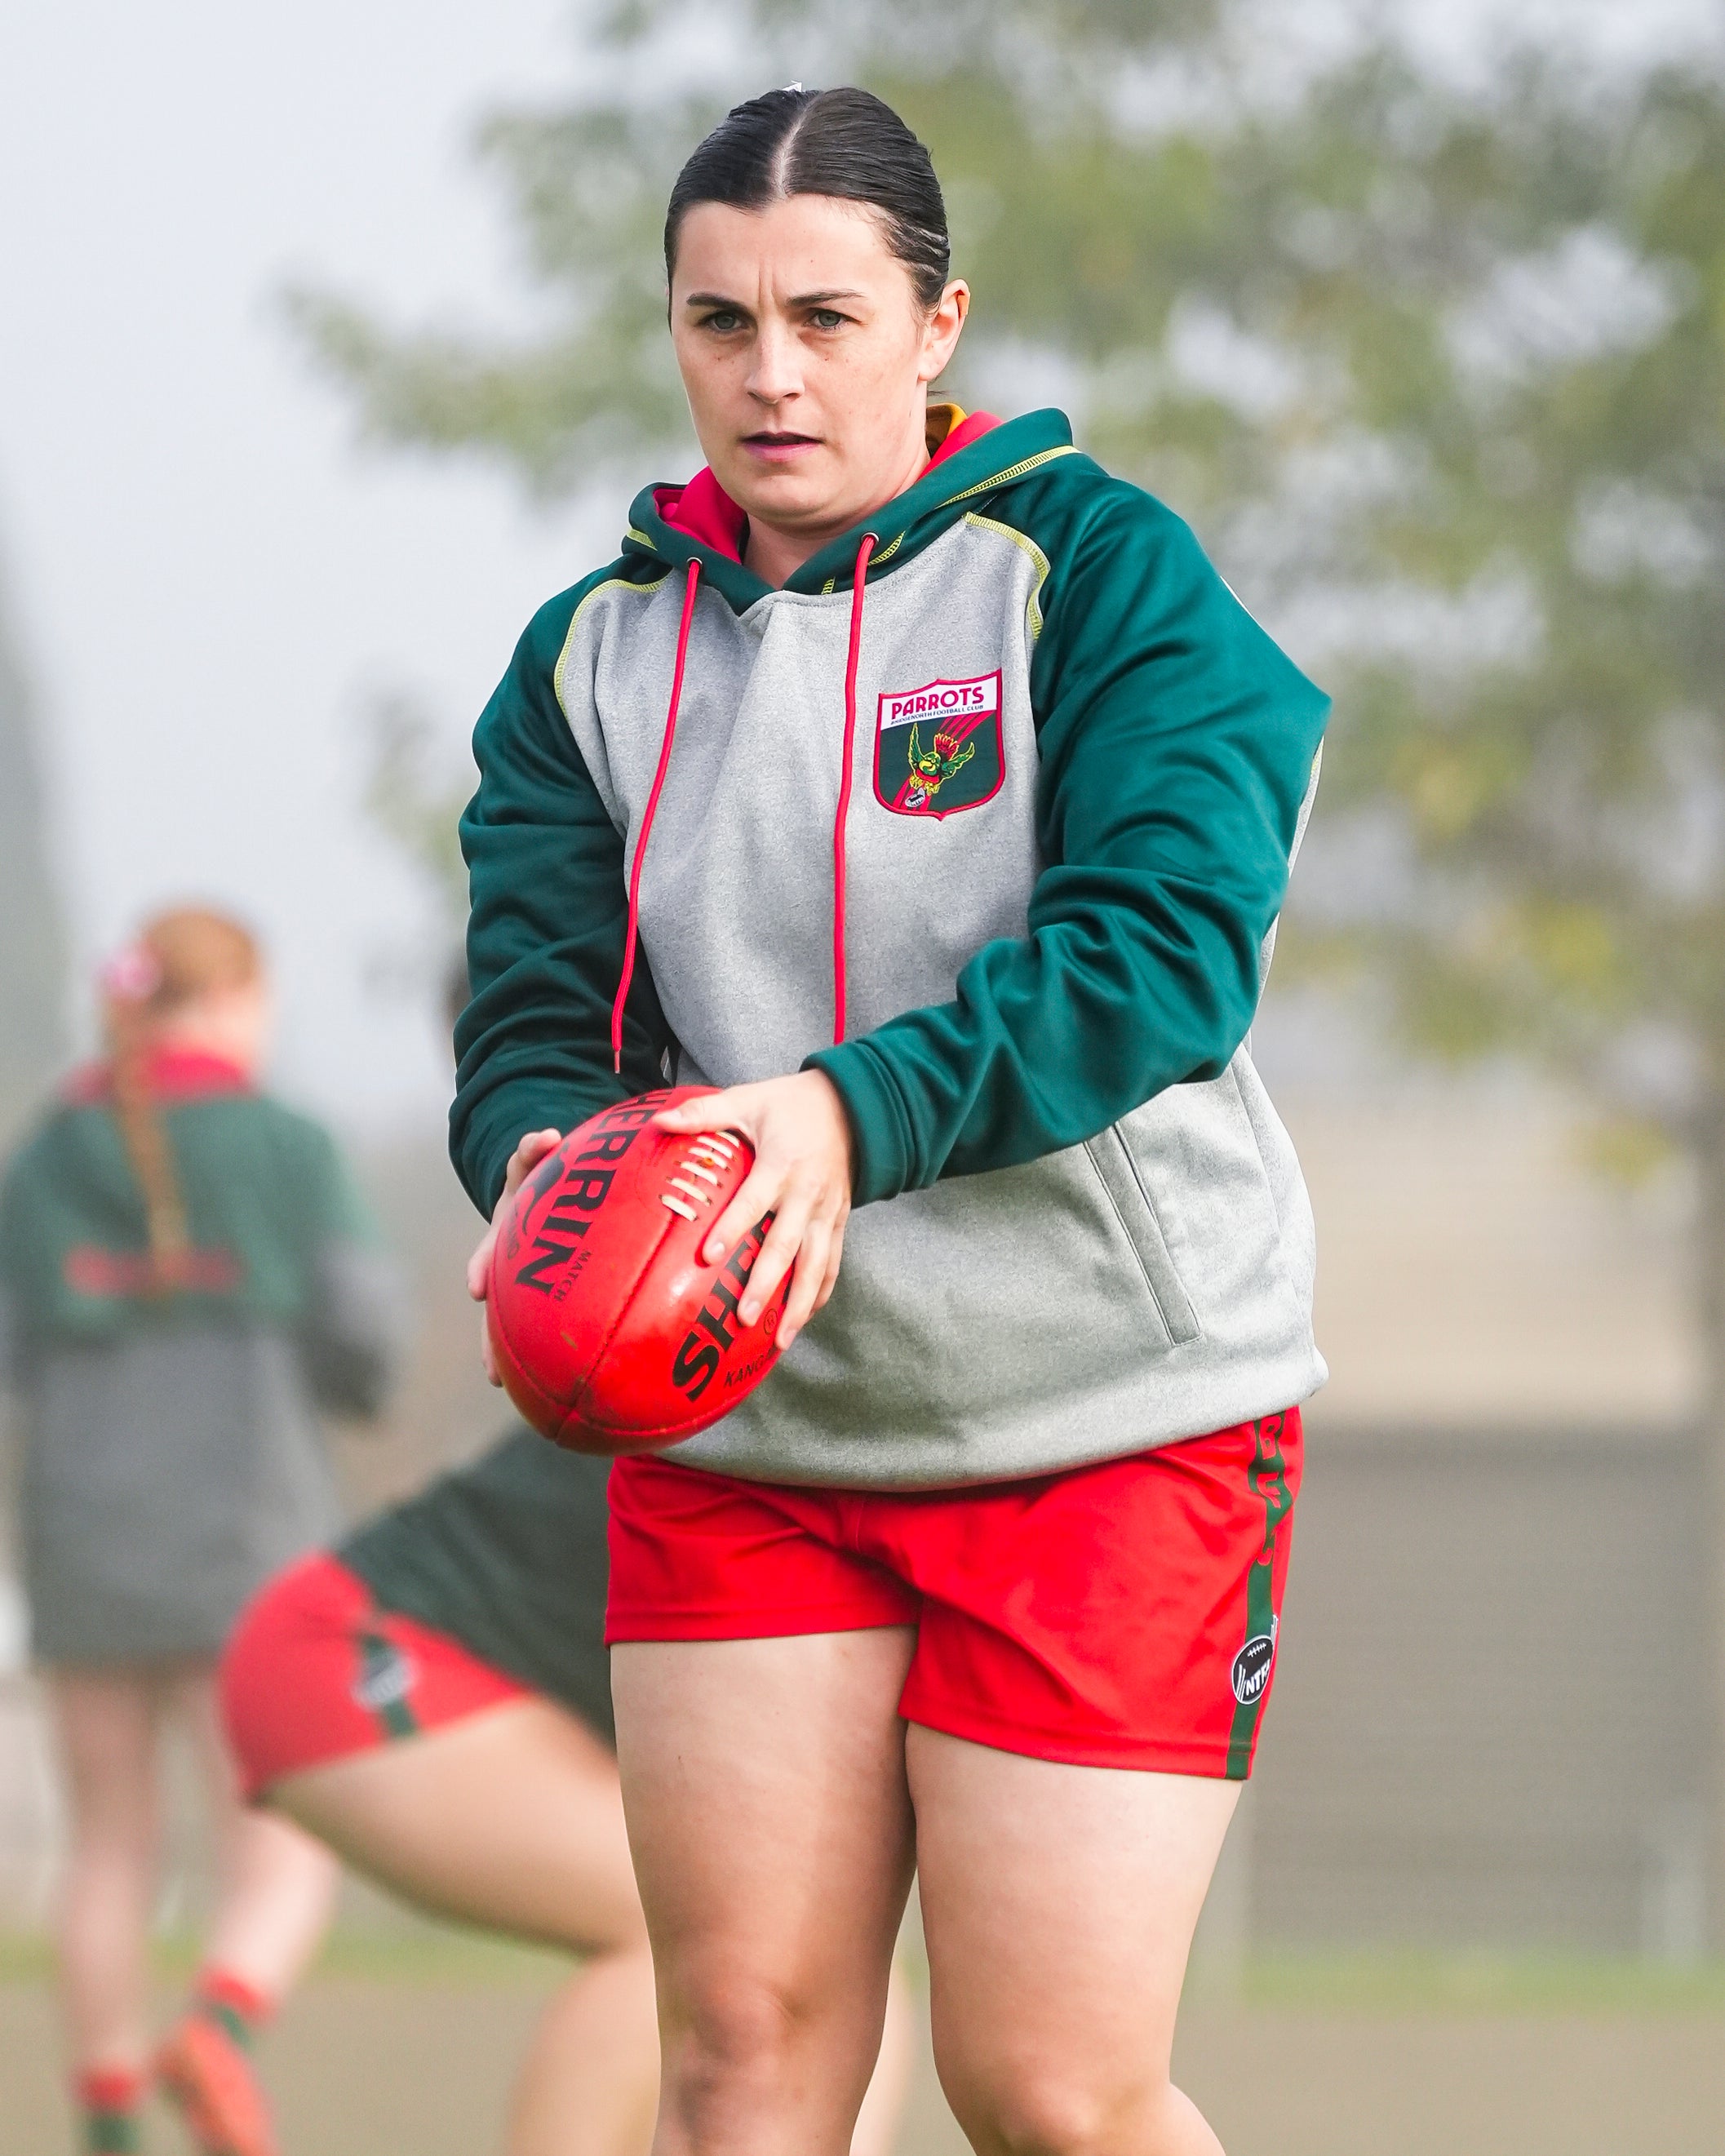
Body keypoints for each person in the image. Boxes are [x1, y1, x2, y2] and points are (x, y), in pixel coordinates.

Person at [456, 85, 1330, 2156]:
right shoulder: (589, 658)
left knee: (1047, 2088)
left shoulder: (1103, 575)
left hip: (1111, 1410)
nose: (772, 373)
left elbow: (1165, 951)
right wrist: (552, 1191)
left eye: (828, 318)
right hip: (746, 1419)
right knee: (743, 2059)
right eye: (721, 319)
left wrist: (847, 1119)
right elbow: (527, 1028)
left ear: (937, 327)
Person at [220, 1416, 914, 2156]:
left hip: (396, 1660)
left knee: (835, 1976)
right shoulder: (737, 1420)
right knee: (696, 1930)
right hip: (347, 1648)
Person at [0, 907, 402, 2156]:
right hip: (251, 1544)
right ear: (234, 999)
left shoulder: (47, 1157)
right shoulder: (286, 1144)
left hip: (85, 1544)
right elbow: (368, 1345)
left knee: (108, 1842)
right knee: (278, 1839)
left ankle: (107, 2119)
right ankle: (220, 2026)